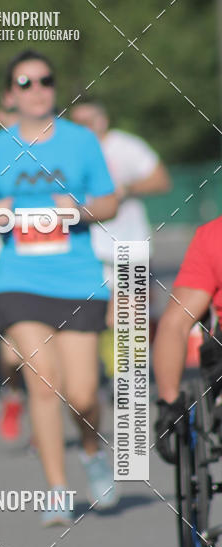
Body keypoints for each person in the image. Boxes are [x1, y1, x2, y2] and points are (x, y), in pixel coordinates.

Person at [0, 50, 119, 524]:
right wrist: (1, 212)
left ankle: (93, 452)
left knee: (81, 395)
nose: (37, 90)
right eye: (26, 82)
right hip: (19, 279)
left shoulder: (81, 142)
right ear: (10, 94)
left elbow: (110, 200)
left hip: (77, 278)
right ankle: (56, 490)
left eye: (45, 80)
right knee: (43, 384)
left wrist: (76, 210)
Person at [70, 100, 171, 377]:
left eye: (88, 121)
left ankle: (130, 375)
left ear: (102, 120)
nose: (83, 128)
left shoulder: (125, 146)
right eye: (76, 123)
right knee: (106, 315)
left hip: (130, 242)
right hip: (89, 246)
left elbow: (161, 179)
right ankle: (117, 373)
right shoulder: (70, 151)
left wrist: (126, 188)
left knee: (133, 315)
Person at [153, 215, 222, 460]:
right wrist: (170, 402)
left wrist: (169, 401)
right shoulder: (214, 238)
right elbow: (175, 325)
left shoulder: (213, 236)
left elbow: (175, 324)